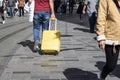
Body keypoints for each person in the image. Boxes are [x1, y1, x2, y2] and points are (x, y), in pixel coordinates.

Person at [96, 0, 120, 80]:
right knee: (111, 65)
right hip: (112, 37)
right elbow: (101, 18)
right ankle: (103, 75)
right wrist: (101, 37)